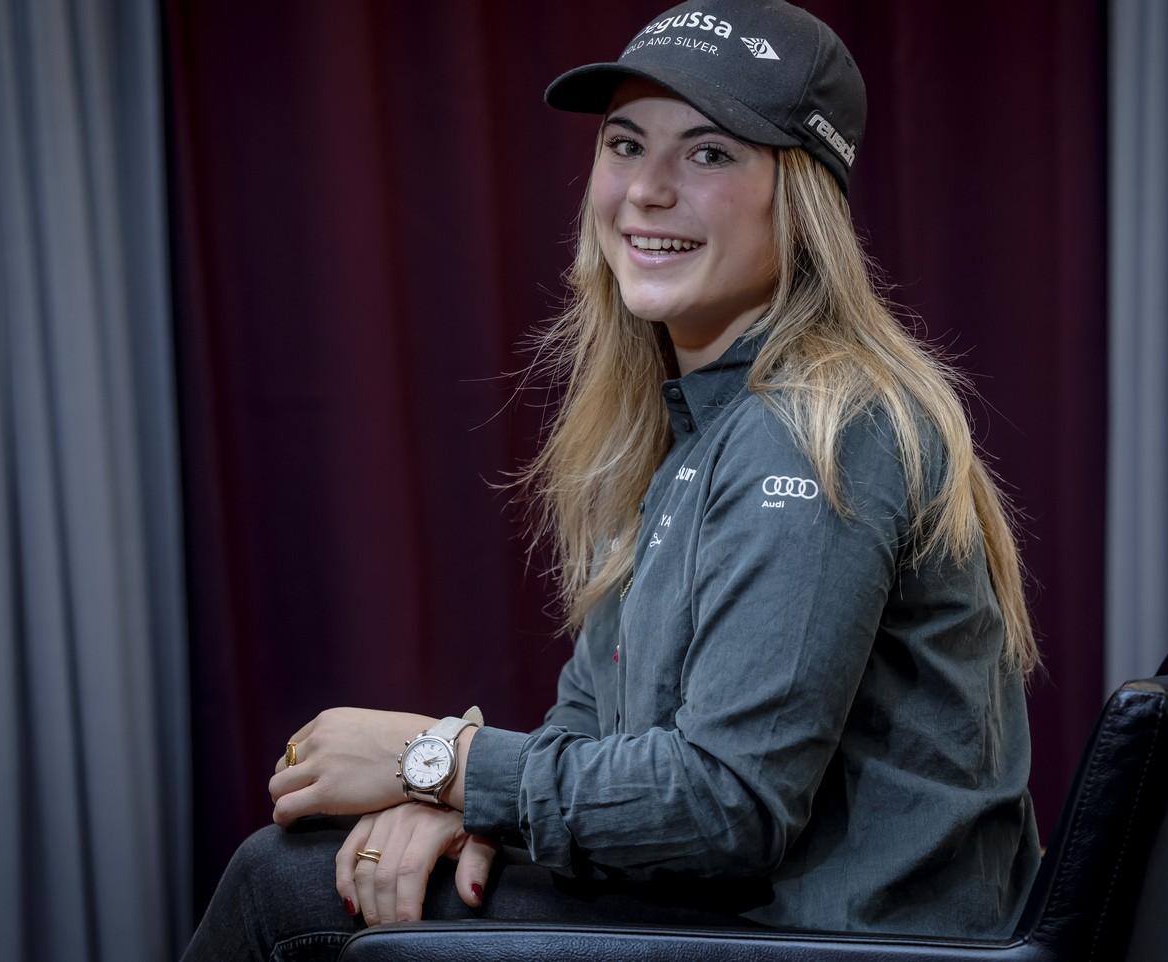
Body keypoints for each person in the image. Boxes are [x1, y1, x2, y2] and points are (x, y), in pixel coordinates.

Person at [182, 1, 1041, 958]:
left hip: (840, 943)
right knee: (344, 868)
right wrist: (468, 807)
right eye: (625, 144)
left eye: (709, 154)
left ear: (798, 201)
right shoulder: (694, 424)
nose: (647, 191)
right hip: (742, 912)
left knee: (283, 884)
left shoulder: (815, 428)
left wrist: (433, 761)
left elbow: (727, 805)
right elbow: (594, 719)